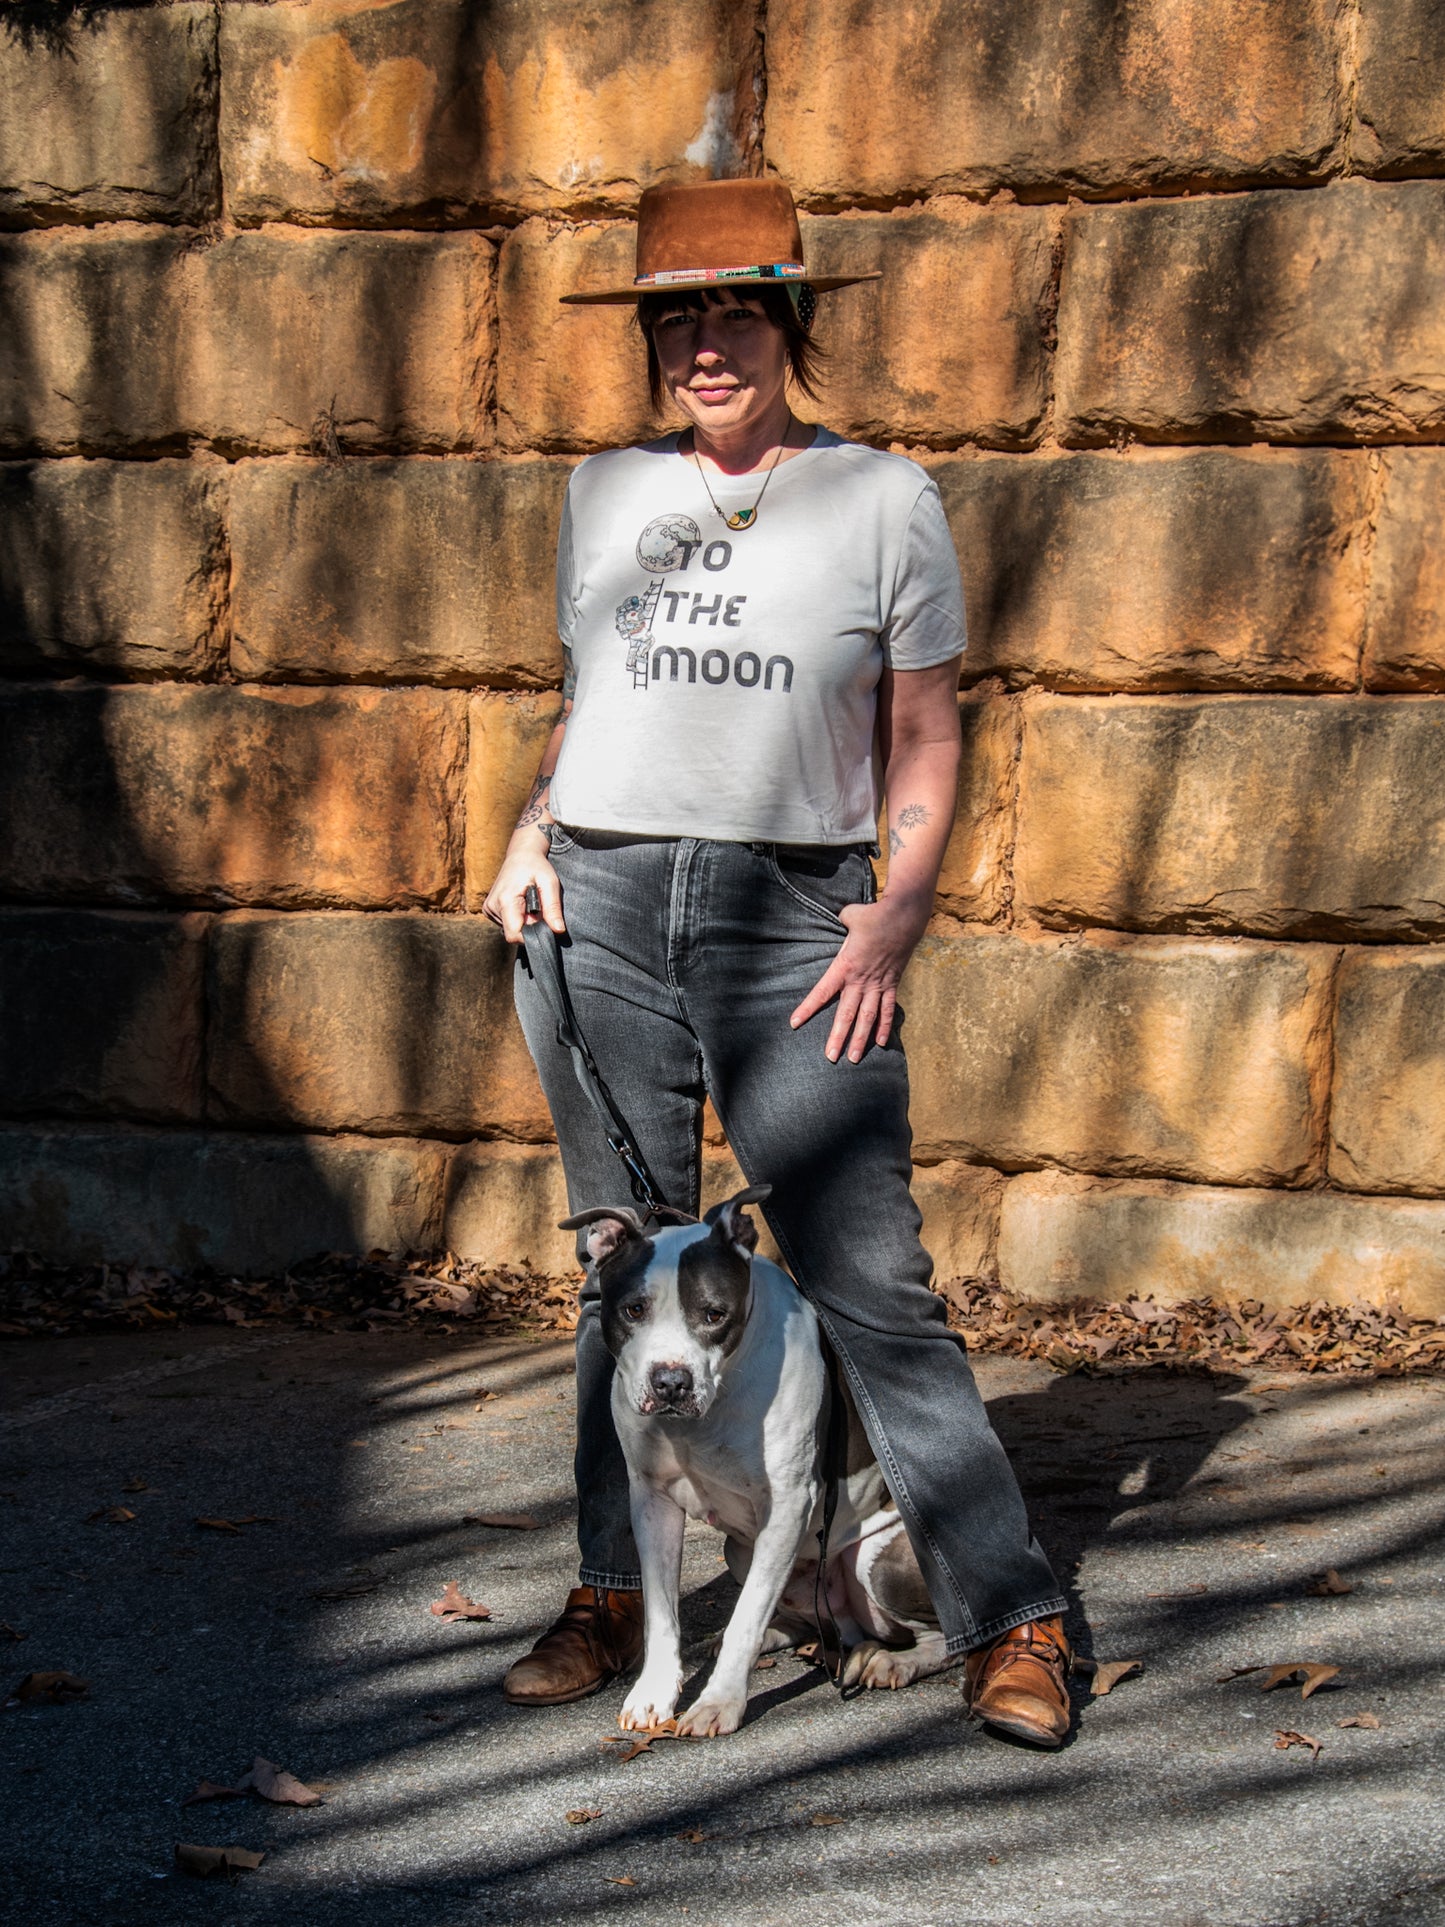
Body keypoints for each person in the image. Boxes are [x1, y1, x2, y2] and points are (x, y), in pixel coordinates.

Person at [482, 178, 1072, 1747]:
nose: (702, 346)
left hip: (794, 918)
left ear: (788, 325)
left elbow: (928, 733)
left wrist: (895, 914)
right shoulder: (604, 488)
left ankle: (1011, 1612)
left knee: (871, 1278)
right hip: (592, 900)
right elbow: (590, 697)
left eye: (733, 312)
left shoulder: (880, 499)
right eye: (674, 318)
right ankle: (618, 1587)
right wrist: (531, 826)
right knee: (619, 1266)